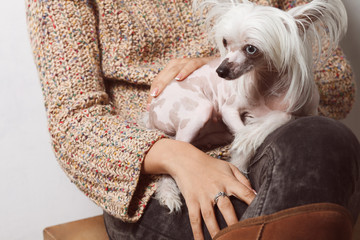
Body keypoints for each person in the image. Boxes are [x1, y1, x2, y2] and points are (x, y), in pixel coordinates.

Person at [26, 0, 360, 239]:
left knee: (323, 137)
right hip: (159, 184)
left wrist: (218, 62)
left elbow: (337, 85)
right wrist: (179, 157)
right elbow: (73, 123)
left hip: (259, 155)